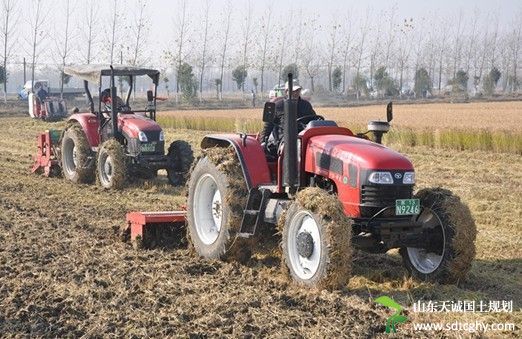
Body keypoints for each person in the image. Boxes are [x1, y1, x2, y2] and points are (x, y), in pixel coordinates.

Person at [260, 80, 316, 154]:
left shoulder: (306, 105)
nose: (295, 93)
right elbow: (268, 125)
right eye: (293, 91)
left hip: (304, 137)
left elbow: (314, 120)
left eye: (297, 90)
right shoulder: (278, 105)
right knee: (294, 147)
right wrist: (263, 141)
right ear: (286, 91)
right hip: (284, 139)